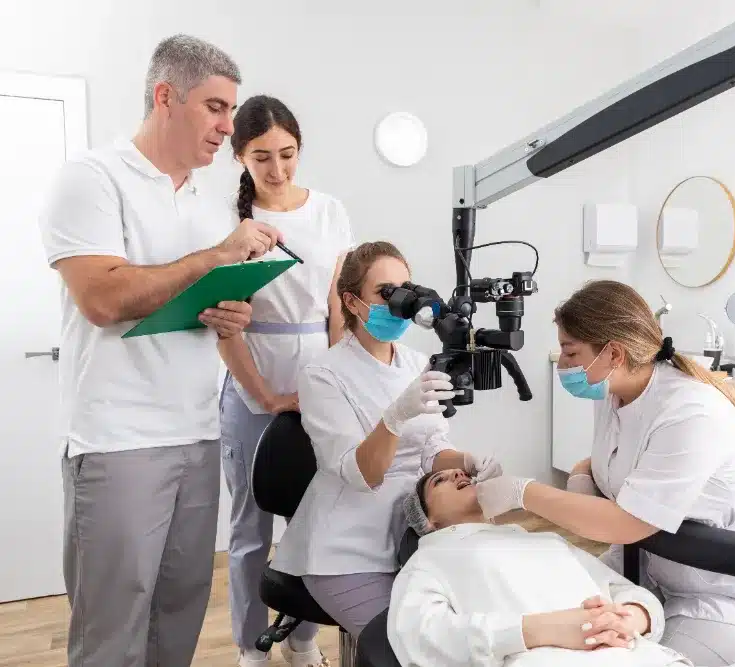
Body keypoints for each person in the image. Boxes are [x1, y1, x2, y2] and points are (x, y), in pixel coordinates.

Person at [37, 35, 284, 667]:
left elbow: (197, 300)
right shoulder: (91, 178)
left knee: (180, 609)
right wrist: (216, 258)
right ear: (165, 96)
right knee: (113, 621)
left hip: (198, 433)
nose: (228, 127)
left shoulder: (207, 201)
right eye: (216, 108)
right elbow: (103, 299)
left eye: (231, 111)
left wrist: (231, 308)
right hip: (118, 439)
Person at [472, 280, 735, 667]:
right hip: (647, 578)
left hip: (723, 597)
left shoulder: (691, 411)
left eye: (571, 352)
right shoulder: (614, 394)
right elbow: (603, 462)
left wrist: (523, 492)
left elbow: (628, 523)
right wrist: (582, 480)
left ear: (613, 353)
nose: (563, 364)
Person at [269, 240, 503, 638]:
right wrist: (393, 418)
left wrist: (465, 460)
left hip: (413, 537)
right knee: (408, 647)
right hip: (345, 549)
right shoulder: (323, 374)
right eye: (385, 293)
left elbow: (431, 451)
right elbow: (361, 474)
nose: (401, 302)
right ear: (353, 302)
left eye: (406, 289)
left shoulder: (417, 363)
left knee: (465, 633)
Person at [218, 94, 353, 667]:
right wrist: (266, 396)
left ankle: (302, 641)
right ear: (240, 157)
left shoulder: (329, 212)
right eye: (261, 158)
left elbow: (336, 306)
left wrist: (344, 378)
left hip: (318, 377)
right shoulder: (230, 221)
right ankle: (252, 648)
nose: (277, 170)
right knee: (250, 530)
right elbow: (225, 322)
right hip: (251, 376)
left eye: (288, 154)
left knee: (316, 521)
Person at [388, 469, 735, 667]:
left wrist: (633, 619)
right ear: (429, 520)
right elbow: (420, 637)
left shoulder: (541, 540)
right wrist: (540, 630)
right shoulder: (428, 560)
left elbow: (627, 592)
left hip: (633, 654)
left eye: (461, 474)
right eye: (440, 480)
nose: (459, 476)